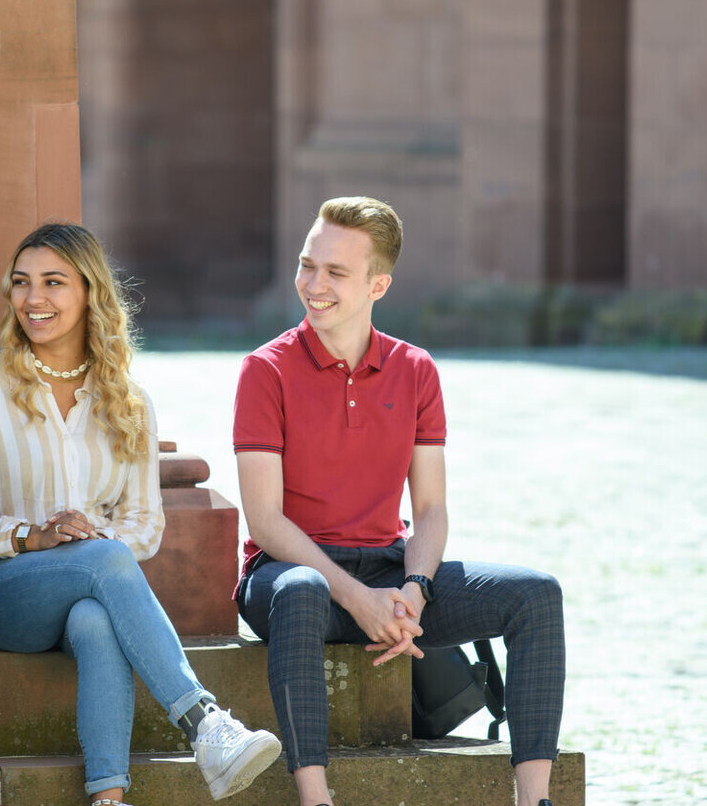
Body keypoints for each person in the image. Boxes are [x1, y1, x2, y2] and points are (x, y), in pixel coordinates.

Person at [233, 197, 566, 806]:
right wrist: (358, 599)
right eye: (308, 265)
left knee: (536, 593)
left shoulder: (416, 369)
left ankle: (533, 798)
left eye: (335, 272)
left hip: (390, 572)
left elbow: (431, 509)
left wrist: (413, 589)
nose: (314, 284)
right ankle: (316, 798)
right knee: (303, 589)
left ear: (378, 284)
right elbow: (266, 521)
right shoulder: (266, 370)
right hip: (287, 579)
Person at [0, 223, 281, 806]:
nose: (33, 299)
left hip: (90, 587)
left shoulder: (128, 399)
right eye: (21, 284)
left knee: (97, 617)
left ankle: (108, 798)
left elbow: (144, 523)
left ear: (90, 292)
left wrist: (88, 539)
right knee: (104, 562)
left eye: (53, 283)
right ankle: (204, 724)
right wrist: (31, 536)